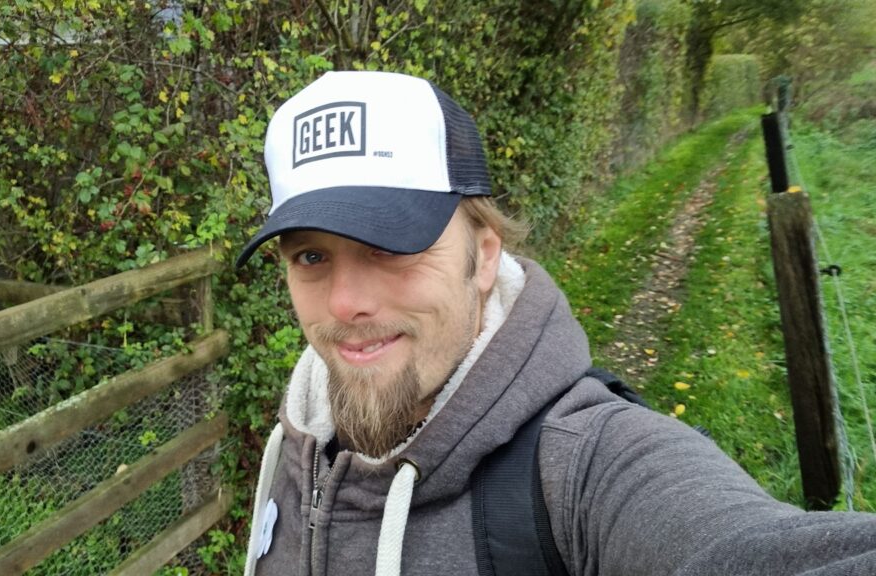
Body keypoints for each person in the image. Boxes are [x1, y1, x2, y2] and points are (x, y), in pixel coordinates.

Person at [235, 71, 876, 576]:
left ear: (484, 254)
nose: (345, 302)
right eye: (311, 257)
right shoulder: (295, 453)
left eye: (392, 247)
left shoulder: (587, 469)